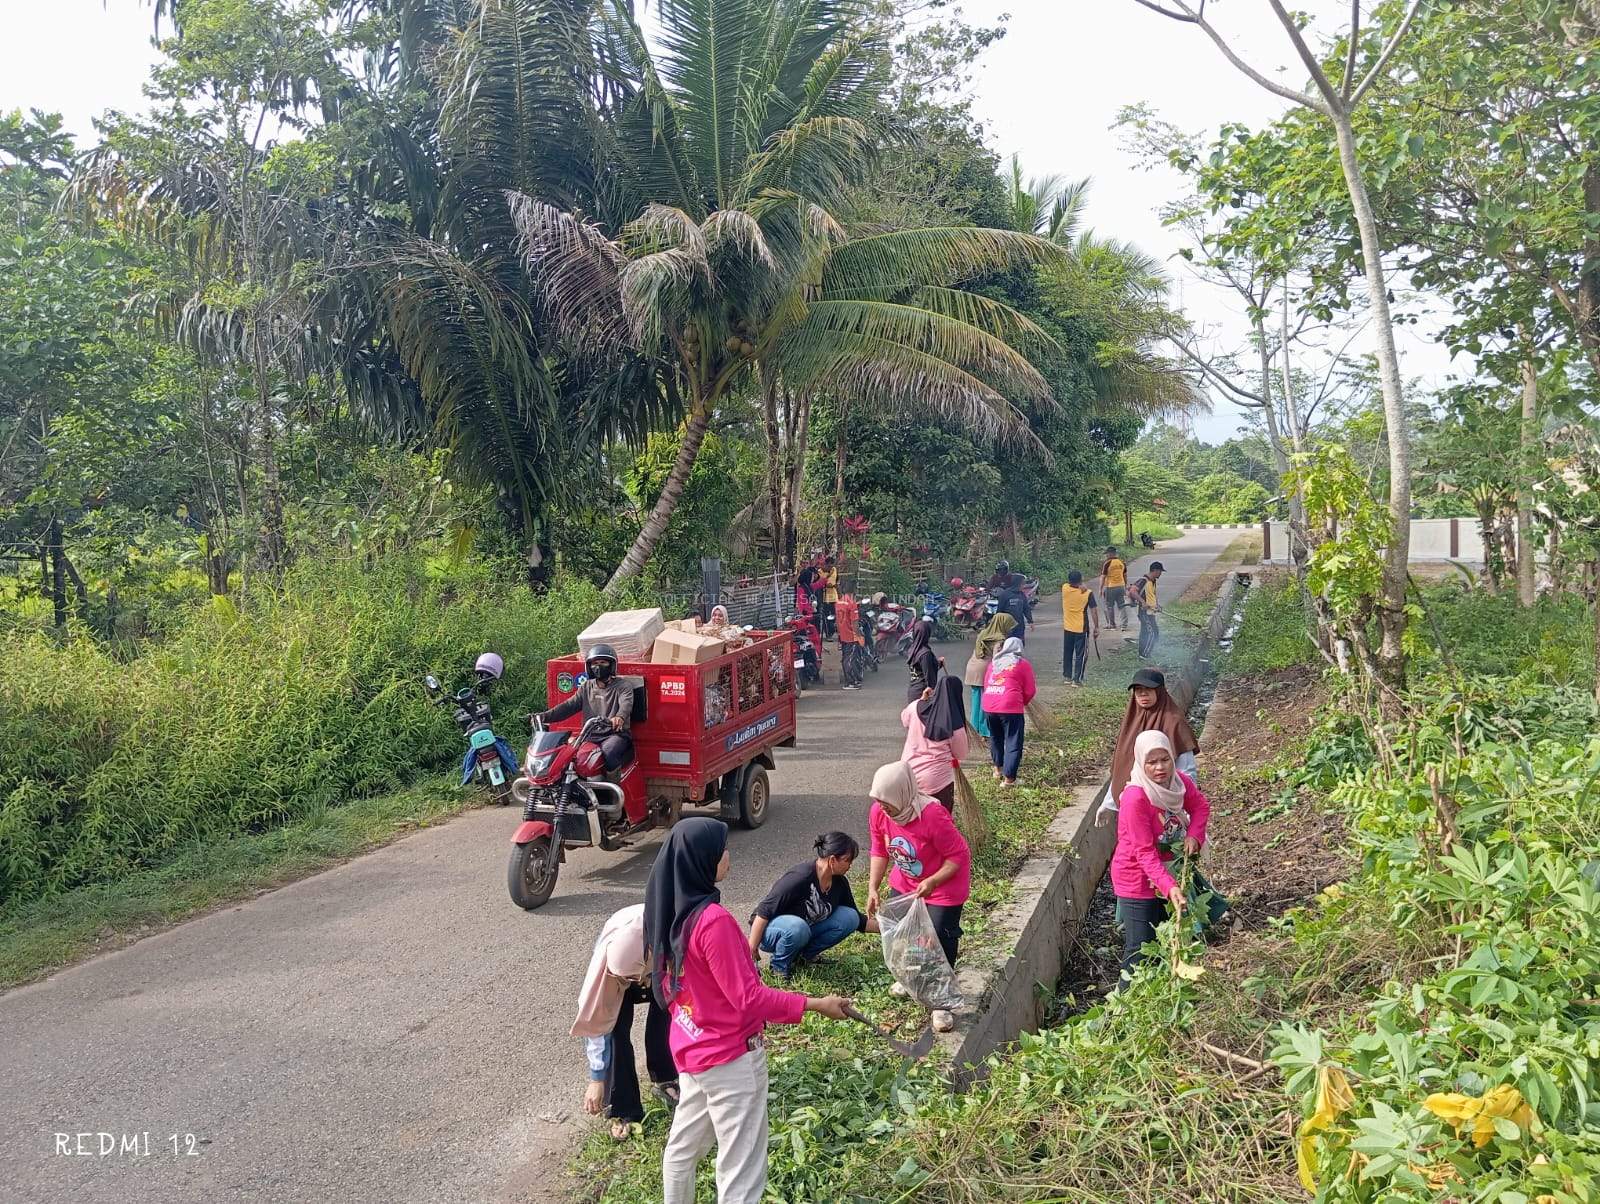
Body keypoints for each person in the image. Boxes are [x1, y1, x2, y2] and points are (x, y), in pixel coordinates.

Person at [649, 819, 851, 1204]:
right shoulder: (713, 922)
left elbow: (672, 987)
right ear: (703, 860)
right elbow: (749, 998)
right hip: (729, 1058)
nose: (728, 854)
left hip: (694, 1047)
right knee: (742, 1169)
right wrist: (815, 1005)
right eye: (722, 849)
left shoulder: (670, 911)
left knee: (683, 1151)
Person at [864, 760, 971, 1033]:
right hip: (907, 881)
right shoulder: (879, 813)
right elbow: (880, 849)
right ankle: (914, 977)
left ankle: (942, 1003)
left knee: (938, 936)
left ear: (903, 793)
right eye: (880, 801)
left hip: (944, 886)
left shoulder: (932, 816)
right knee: (904, 932)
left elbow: (958, 856)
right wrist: (873, 887)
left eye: (887, 801)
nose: (883, 807)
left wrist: (932, 881)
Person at [1110, 730, 1210, 983]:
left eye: (1164, 759)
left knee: (1170, 937)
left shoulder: (1179, 783)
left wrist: (1194, 836)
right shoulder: (1136, 798)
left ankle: (1165, 991)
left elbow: (1200, 807)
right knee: (1140, 948)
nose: (1159, 768)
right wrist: (1170, 887)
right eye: (1151, 762)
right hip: (1136, 878)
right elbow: (1144, 853)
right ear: (1141, 763)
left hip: (1167, 871)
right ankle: (1121, 1008)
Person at [573, 904, 679, 1141]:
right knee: (616, 1033)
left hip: (657, 959)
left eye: (637, 980)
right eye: (631, 980)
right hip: (628, 963)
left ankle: (666, 1077)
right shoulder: (608, 967)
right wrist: (596, 1079)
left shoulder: (674, 934)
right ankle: (625, 1109)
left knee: (668, 1010)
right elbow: (597, 1024)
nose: (637, 985)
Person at [748, 832, 878, 979]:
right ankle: (778, 968)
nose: (850, 865)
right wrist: (751, 949)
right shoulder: (800, 877)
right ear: (832, 860)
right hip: (769, 929)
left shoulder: (839, 883)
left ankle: (802, 958)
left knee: (850, 917)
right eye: (848, 860)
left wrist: (890, 929)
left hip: (803, 930)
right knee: (797, 927)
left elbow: (858, 921)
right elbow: (764, 911)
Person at [1095, 667, 1199, 828]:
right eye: (1138, 690)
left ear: (1160, 691)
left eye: (1148, 690)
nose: (1143, 694)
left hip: (1163, 805)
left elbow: (1187, 771)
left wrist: (1182, 806)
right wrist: (1109, 803)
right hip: (1134, 804)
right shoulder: (1131, 722)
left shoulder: (1174, 722)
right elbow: (1122, 769)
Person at [535, 644, 635, 769]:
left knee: (609, 752)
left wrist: (619, 717)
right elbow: (569, 706)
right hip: (589, 734)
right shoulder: (587, 686)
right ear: (589, 667)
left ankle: (612, 784)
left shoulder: (623, 686)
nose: (598, 666)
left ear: (612, 665)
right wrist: (544, 716)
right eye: (594, 663)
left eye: (603, 662)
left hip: (614, 734)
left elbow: (626, 704)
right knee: (568, 755)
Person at [900, 675, 970, 809]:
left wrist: (922, 700)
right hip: (936, 782)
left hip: (908, 773)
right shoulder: (954, 724)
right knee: (938, 820)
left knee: (913, 816)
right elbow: (961, 754)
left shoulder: (915, 707)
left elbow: (904, 719)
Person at [981, 635, 1036, 786]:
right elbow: (1030, 690)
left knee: (996, 737)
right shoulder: (1022, 664)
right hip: (1010, 705)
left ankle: (997, 769)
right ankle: (1009, 779)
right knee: (1013, 740)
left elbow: (986, 684)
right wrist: (1021, 702)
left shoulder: (994, 663)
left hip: (989, 704)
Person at [963, 612, 1015, 742]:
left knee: (976, 701)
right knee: (985, 703)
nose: (1010, 629)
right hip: (984, 671)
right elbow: (998, 658)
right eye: (1009, 626)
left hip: (972, 669)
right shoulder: (1000, 639)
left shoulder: (983, 633)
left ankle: (975, 730)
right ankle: (985, 731)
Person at [1061, 569, 1100, 686]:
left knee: (1067, 652)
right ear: (1081, 579)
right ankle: (1076, 679)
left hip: (1068, 627)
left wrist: (1081, 585)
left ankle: (1067, 677)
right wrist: (1096, 627)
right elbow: (1094, 611)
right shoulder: (1088, 593)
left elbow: (1076, 585)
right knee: (1080, 654)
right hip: (1081, 628)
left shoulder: (1064, 588)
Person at [1130, 560, 1164, 658]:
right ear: (1155, 570)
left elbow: (1152, 594)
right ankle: (1145, 655)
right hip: (1144, 612)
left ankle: (1145, 652)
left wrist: (1157, 604)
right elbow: (1133, 591)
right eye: (1160, 571)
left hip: (1151, 612)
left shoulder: (1153, 581)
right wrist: (1143, 602)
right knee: (1151, 633)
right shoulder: (1144, 580)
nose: (1161, 573)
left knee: (1150, 632)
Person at [903, 616, 942, 703]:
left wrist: (938, 663)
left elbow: (920, 669)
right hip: (923, 694)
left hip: (913, 691)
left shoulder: (912, 649)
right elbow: (929, 675)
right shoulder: (925, 653)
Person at [835, 592, 865, 691]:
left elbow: (838, 621)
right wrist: (859, 636)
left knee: (845, 658)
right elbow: (855, 624)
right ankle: (850, 682)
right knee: (850, 659)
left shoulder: (838, 602)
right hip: (851, 636)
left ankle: (850, 681)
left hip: (843, 634)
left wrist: (839, 634)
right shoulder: (852, 604)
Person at [1099, 545, 1129, 632]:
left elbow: (1103, 577)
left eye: (1107, 554)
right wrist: (1125, 585)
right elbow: (1125, 575)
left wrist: (1100, 589)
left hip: (1110, 587)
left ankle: (1112, 625)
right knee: (1122, 606)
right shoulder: (1121, 563)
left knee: (1109, 606)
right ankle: (1124, 625)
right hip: (1121, 586)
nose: (1106, 556)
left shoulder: (1107, 563)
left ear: (1110, 553)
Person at [996, 572, 1032, 641]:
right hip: (1007, 626)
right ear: (1017, 584)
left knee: (1019, 645)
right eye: (1022, 583)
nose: (1023, 586)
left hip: (1019, 626)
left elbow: (1026, 609)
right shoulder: (1004, 595)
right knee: (1007, 645)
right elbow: (999, 611)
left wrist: (1030, 621)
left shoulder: (1022, 595)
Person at [820, 555, 840, 638]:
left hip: (834, 596)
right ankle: (828, 634)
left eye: (832, 565)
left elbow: (836, 580)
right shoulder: (820, 571)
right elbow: (822, 582)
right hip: (825, 597)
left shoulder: (834, 569)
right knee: (827, 616)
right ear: (825, 564)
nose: (830, 567)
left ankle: (832, 631)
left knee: (835, 615)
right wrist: (829, 574)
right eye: (829, 566)